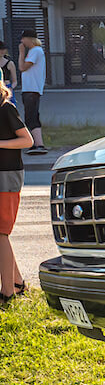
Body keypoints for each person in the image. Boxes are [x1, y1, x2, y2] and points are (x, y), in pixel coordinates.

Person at [0, 80, 32, 308]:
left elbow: (27, 140)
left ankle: (7, 293)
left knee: (0, 233)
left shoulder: (6, 108)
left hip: (7, 175)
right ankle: (17, 283)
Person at [17, 30, 46, 155]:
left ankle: (38, 144)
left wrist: (21, 53)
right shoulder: (36, 51)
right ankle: (36, 143)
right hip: (30, 89)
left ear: (29, 39)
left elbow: (22, 67)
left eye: (23, 39)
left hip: (31, 89)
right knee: (32, 116)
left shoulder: (35, 51)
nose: (22, 42)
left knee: (31, 117)